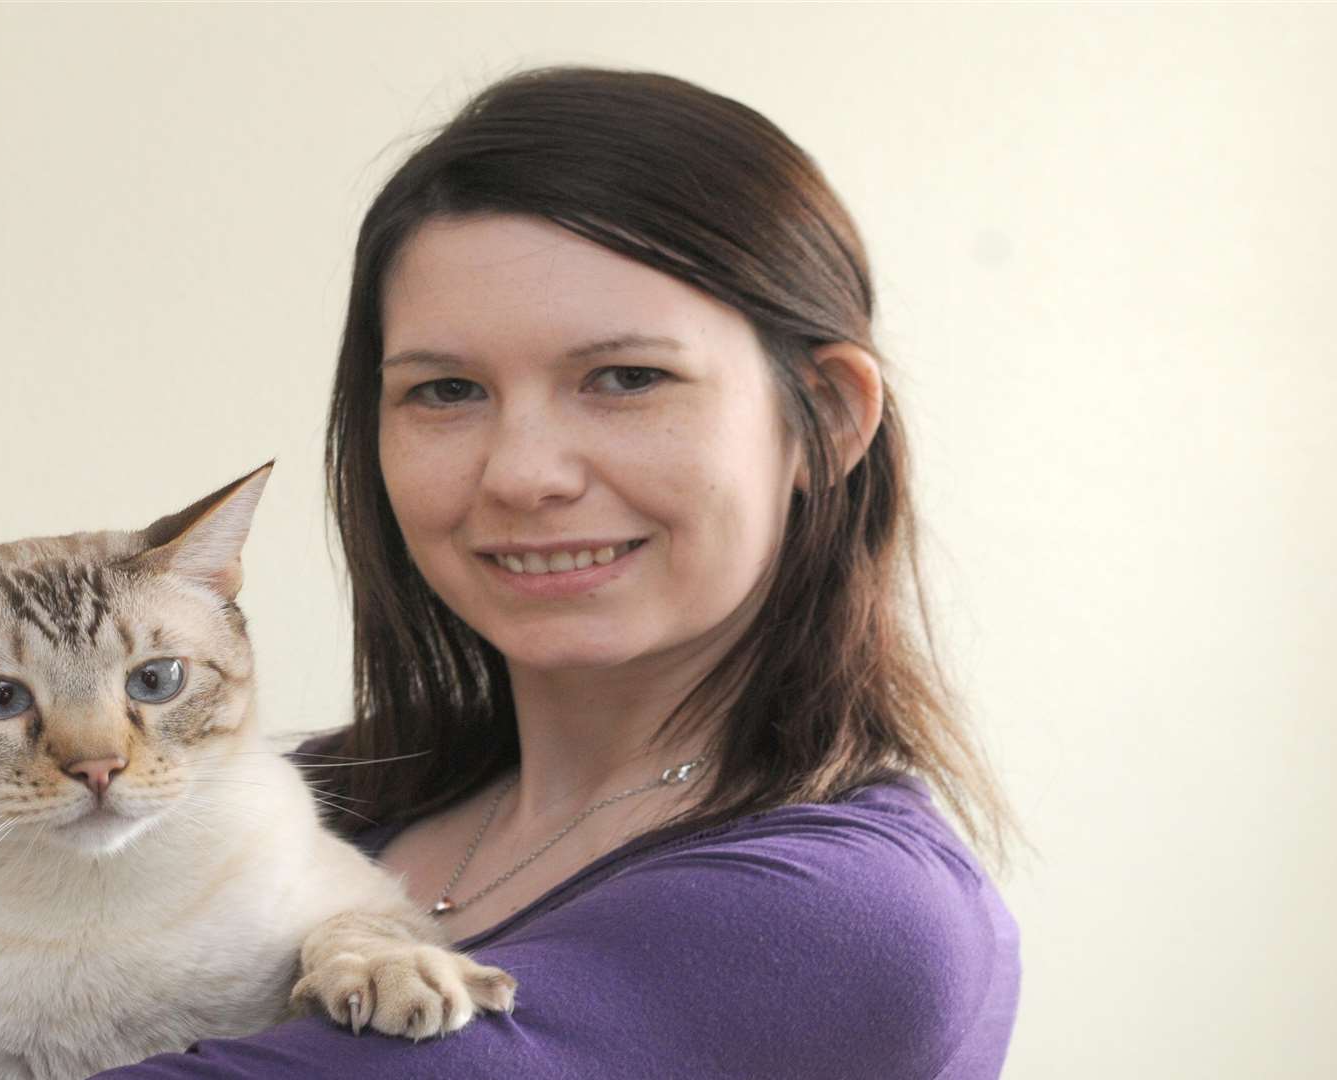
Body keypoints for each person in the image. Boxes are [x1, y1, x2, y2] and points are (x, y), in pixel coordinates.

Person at [104, 66, 1020, 1079]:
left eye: (627, 379)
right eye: (446, 390)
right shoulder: (304, 799)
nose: (522, 473)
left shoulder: (837, 916)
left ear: (830, 418)